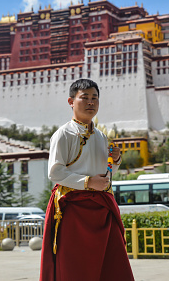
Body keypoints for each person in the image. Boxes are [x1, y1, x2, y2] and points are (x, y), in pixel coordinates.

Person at [40, 79, 134, 281]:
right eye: (85, 98)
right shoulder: (63, 134)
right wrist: (88, 182)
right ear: (71, 101)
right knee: (76, 266)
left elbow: (105, 175)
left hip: (101, 206)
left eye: (95, 98)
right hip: (74, 208)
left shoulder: (101, 136)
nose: (91, 102)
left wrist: (115, 161)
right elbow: (55, 173)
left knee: (111, 264)